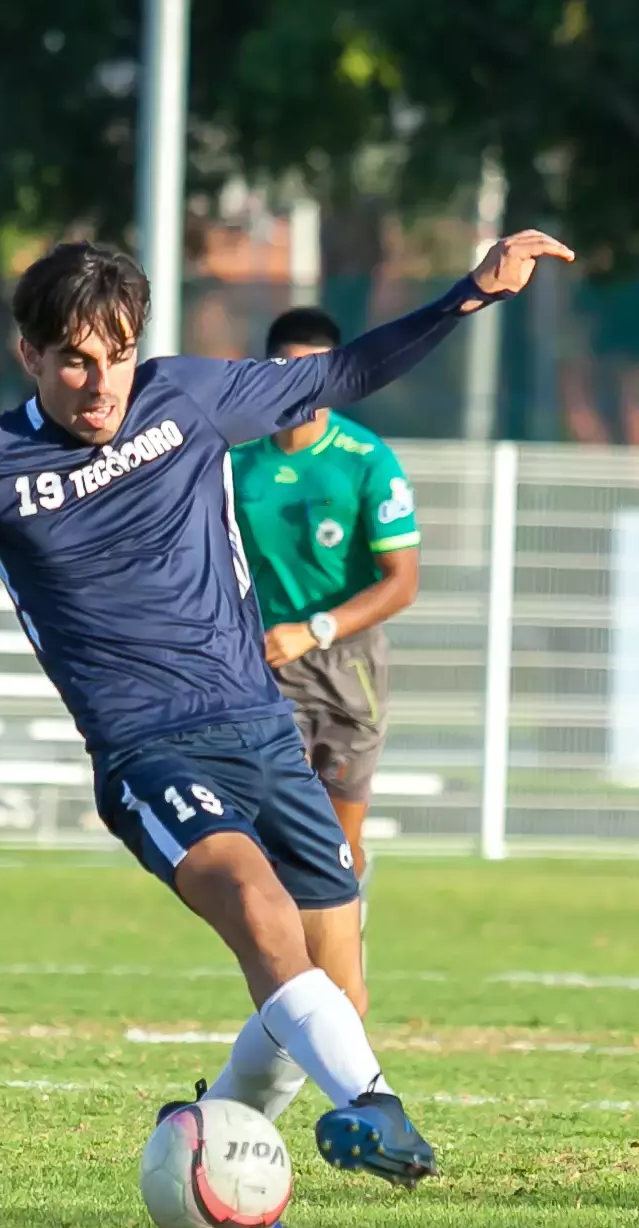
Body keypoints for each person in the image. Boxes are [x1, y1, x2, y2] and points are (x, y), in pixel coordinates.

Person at [0, 231, 573, 1211]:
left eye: (114, 353)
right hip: (148, 749)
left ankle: (206, 1153)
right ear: (28, 354)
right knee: (260, 915)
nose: (97, 380)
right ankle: (373, 1100)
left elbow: (346, 368)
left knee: (332, 995)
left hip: (264, 731)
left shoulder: (188, 398)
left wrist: (470, 295)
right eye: (71, 358)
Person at [229, 307, 420, 1014]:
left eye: (315, 372)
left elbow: (402, 581)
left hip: (345, 669)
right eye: (287, 370)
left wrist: (316, 628)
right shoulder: (235, 459)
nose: (300, 386)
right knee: (269, 838)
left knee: (339, 841)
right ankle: (296, 984)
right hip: (260, 669)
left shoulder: (367, 461)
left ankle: (342, 957)